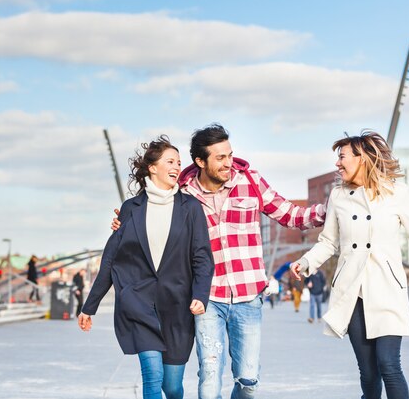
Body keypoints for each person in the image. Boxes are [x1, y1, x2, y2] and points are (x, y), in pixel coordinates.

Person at [111, 124, 326, 399]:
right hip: (208, 298)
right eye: (220, 158)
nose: (229, 163)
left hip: (248, 295)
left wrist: (333, 210)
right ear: (200, 161)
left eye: (230, 155)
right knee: (210, 377)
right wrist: (124, 221)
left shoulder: (251, 182)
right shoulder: (184, 193)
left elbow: (292, 215)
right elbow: (152, 210)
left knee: (248, 380)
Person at [290, 131, 409, 399]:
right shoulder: (338, 196)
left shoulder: (397, 192)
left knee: (389, 365)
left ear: (363, 158)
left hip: (387, 289)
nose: (338, 164)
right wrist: (306, 262)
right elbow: (329, 242)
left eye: (342, 157)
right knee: (368, 373)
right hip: (353, 293)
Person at [78, 136, 214, 399]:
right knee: (152, 378)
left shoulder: (190, 208)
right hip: (139, 305)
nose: (176, 167)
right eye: (170, 161)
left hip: (178, 306)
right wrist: (89, 306)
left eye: (178, 162)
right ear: (152, 167)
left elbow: (202, 257)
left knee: (171, 386)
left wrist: (200, 294)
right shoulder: (131, 209)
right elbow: (111, 259)